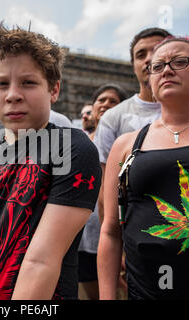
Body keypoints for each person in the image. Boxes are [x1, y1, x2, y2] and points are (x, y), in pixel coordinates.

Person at [0, 23, 101, 300]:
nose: (13, 95)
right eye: (2, 83)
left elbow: (41, 262)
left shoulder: (74, 149)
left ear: (53, 90)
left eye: (28, 83)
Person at [98, 36, 189, 300]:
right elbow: (110, 231)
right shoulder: (126, 146)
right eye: (157, 66)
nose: (166, 70)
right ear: (151, 83)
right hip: (148, 292)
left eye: (179, 62)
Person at [94, 28, 189, 222]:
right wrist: (117, 241)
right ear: (133, 65)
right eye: (141, 55)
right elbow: (105, 190)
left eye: (157, 50)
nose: (150, 58)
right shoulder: (113, 117)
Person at [77, 84, 127, 300]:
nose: (106, 104)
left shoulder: (127, 141)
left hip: (117, 235)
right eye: (101, 100)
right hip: (83, 237)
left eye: (113, 101)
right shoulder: (77, 143)